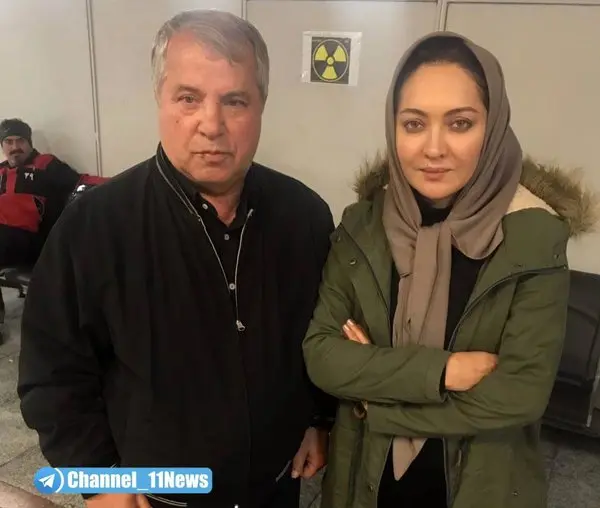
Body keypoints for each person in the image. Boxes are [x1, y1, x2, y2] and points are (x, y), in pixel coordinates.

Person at [18, 10, 335, 508]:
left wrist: (318, 418)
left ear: (261, 105)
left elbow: (320, 335)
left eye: (235, 101)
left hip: (276, 487)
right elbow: (52, 373)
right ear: (159, 98)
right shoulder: (95, 226)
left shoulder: (305, 216)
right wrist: (99, 480)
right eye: (189, 98)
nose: (211, 125)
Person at [302, 31, 597, 508]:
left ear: (493, 126)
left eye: (460, 124)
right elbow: (323, 355)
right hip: (364, 480)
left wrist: (377, 403)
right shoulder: (363, 226)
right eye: (414, 124)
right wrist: (446, 371)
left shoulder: (534, 237)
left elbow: (519, 394)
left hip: (480, 485)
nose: (434, 148)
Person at [0, 118, 80, 265]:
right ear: (2, 146)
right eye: (9, 142)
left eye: (20, 141)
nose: (15, 147)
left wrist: (115, 184)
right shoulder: (1, 171)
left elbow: (80, 182)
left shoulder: (46, 164)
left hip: (35, 240)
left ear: (29, 143)